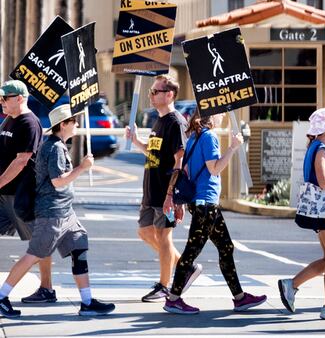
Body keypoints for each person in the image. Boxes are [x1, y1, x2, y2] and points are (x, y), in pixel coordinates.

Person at [0, 105, 114, 318]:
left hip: (66, 213)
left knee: (79, 247)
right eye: (74, 122)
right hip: (52, 213)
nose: (77, 125)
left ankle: (87, 302)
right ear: (64, 124)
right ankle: (1, 296)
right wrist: (82, 167)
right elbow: (58, 181)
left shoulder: (57, 145)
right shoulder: (55, 149)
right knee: (33, 255)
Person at [162, 112, 266, 314]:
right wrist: (233, 147)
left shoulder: (194, 136)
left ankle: (240, 297)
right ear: (212, 116)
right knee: (191, 251)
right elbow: (215, 168)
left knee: (226, 247)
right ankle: (173, 299)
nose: (224, 117)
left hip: (203, 203)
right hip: (205, 204)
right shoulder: (209, 137)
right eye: (221, 114)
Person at [126, 75, 201, 302]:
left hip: (165, 191)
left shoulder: (176, 122)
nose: (151, 95)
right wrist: (137, 141)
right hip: (151, 189)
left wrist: (172, 196)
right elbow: (155, 152)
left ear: (169, 95)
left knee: (163, 236)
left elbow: (180, 161)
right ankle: (184, 267)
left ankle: (164, 285)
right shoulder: (158, 121)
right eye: (151, 91)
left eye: (155, 91)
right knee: (145, 231)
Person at [278, 107, 325, 320]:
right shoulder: (321, 149)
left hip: (322, 208)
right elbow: (323, 181)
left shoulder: (316, 146)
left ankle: (291, 285)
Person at [0, 80, 56, 304]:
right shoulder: (9, 120)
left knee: (38, 243)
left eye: (5, 98)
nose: (1, 102)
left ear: (20, 98)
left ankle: (46, 288)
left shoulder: (29, 123)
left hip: (20, 194)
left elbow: (22, 160)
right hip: (4, 193)